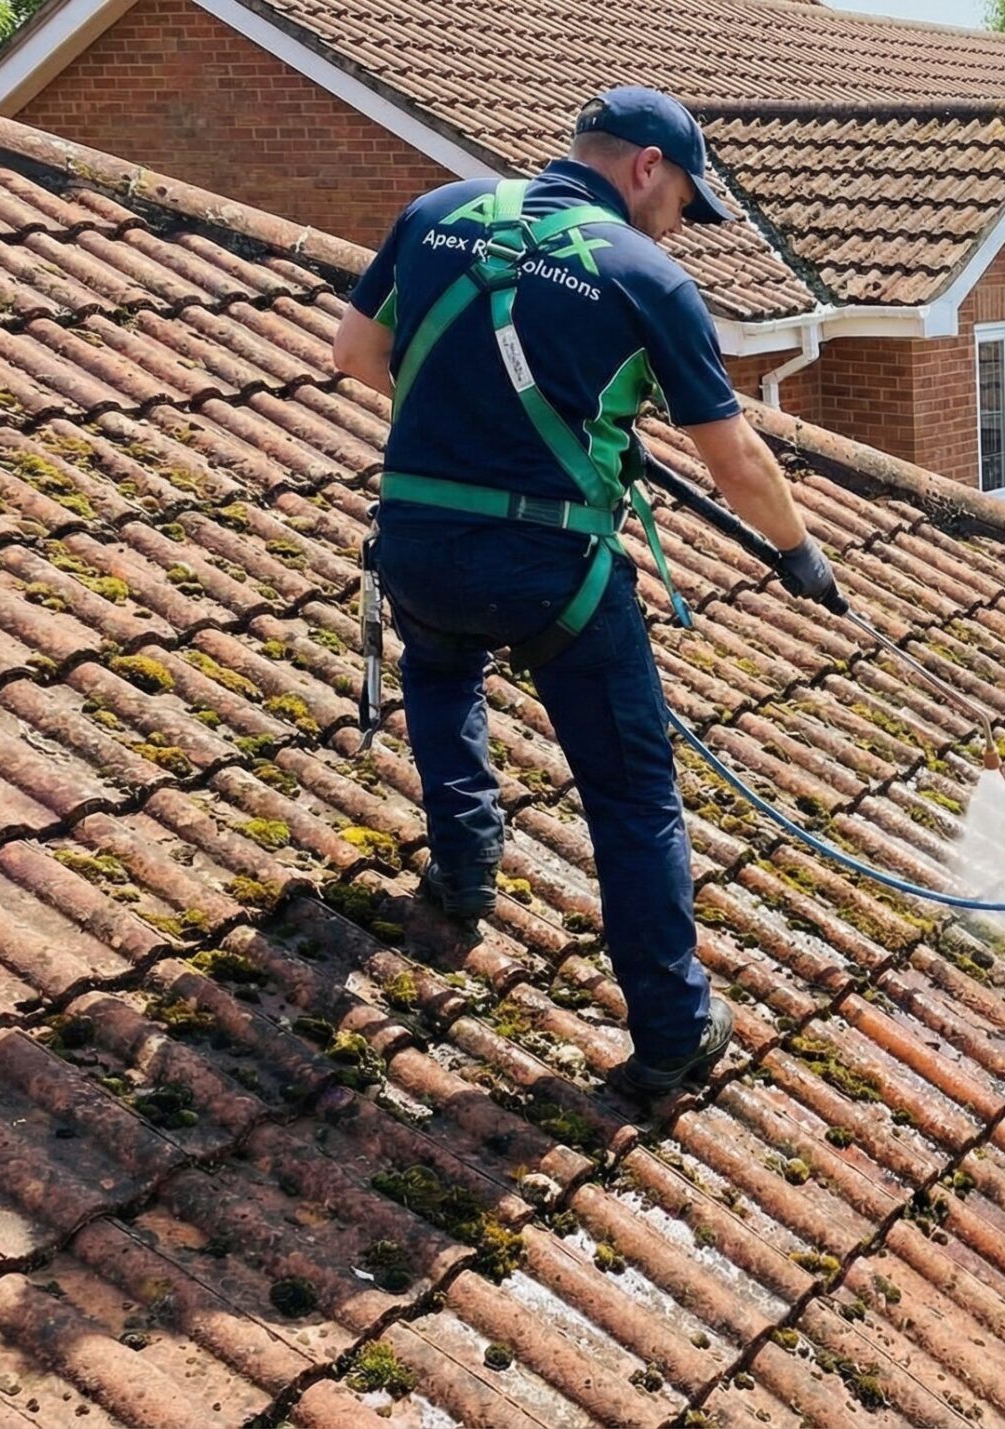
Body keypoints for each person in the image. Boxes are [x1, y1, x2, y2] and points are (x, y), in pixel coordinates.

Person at [331, 86, 839, 1099]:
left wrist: (471, 436)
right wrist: (800, 555)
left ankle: (463, 873)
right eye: (682, 203)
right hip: (548, 572)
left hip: (418, 542)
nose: (676, 228)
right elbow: (736, 461)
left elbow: (356, 355)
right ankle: (672, 1029)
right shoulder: (646, 276)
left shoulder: (437, 213)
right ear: (647, 167)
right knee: (631, 792)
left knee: (440, 674)